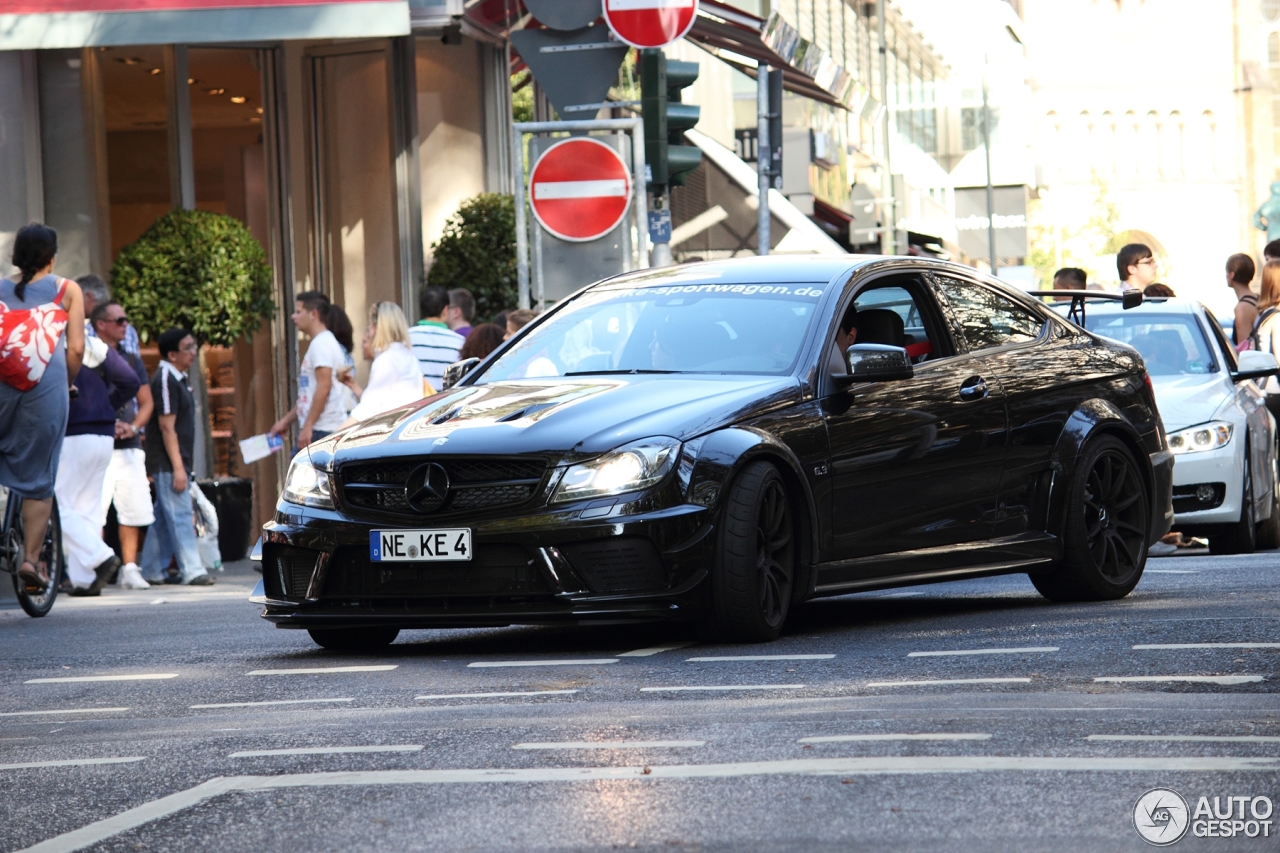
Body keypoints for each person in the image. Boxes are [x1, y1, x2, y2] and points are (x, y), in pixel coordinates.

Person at [0, 224, 85, 592]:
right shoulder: (67, 290)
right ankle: (32, 560)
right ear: (52, 257)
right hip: (44, 390)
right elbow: (77, 349)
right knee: (38, 480)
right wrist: (67, 381)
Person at [56, 303, 141, 595]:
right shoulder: (94, 345)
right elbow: (130, 381)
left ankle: (100, 557)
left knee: (56, 503)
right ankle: (85, 579)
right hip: (103, 434)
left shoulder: (52, 346)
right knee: (87, 510)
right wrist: (108, 403)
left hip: (72, 432)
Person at [140, 328, 213, 586]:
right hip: (169, 461)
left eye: (194, 347)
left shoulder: (176, 378)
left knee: (164, 517)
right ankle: (192, 569)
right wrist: (178, 468)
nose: (193, 352)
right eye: (188, 348)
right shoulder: (165, 379)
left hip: (174, 460)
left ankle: (150, 568)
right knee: (180, 515)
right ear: (172, 354)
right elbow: (166, 426)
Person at [92, 301, 154, 590]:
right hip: (96, 441)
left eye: (125, 320)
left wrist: (133, 426)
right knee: (94, 509)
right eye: (119, 320)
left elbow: (146, 402)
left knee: (133, 508)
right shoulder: (87, 358)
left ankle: (130, 567)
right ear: (100, 324)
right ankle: (94, 567)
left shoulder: (131, 359)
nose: (125, 324)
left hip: (129, 444)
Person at [268, 291, 350, 451]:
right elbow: (309, 395)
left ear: (314, 314)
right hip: (318, 429)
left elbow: (324, 386)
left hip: (322, 430)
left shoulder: (321, 344)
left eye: (299, 311)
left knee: (298, 474)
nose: (293, 317)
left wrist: (308, 426)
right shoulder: (321, 343)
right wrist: (286, 421)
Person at [337, 302, 424, 426]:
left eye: (370, 325)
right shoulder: (407, 356)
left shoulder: (387, 360)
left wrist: (334, 438)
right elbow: (379, 401)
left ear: (376, 327)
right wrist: (354, 386)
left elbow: (366, 410)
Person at [409, 285, 465, 386]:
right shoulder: (460, 342)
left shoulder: (405, 339)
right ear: (445, 310)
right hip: (447, 401)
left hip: (415, 401)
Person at [78, 274, 140, 356]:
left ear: (89, 296)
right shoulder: (129, 329)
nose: (75, 303)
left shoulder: (87, 329)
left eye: (77, 297)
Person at [1226, 252, 1258, 349]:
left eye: (1226, 272)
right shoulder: (1259, 299)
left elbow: (1245, 350)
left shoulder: (1242, 308)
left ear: (1232, 275)